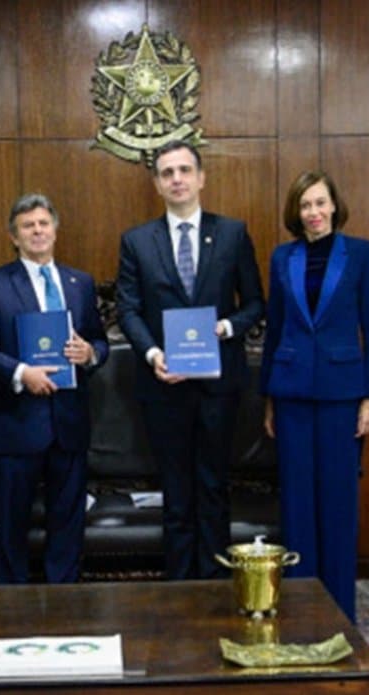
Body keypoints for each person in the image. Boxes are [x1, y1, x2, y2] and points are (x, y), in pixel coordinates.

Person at [115, 140, 265, 580]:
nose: (177, 179)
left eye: (184, 170)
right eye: (167, 172)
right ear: (157, 184)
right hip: (164, 386)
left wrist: (224, 329)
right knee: (176, 494)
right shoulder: (137, 241)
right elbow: (128, 309)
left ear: (202, 178)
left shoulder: (233, 233)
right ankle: (179, 590)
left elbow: (255, 303)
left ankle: (216, 587)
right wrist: (154, 353)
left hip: (219, 386)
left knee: (214, 488)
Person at [0, 194, 109, 583]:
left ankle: (64, 602)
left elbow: (100, 341)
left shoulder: (79, 283)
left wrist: (89, 353)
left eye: (44, 223)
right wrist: (21, 373)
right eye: (28, 226)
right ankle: (13, 606)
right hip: (17, 424)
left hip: (69, 423)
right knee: (12, 526)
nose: (38, 231)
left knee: (68, 524)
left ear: (55, 230)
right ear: (14, 237)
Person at [258, 170, 369, 622]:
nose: (313, 212)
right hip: (290, 394)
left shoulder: (361, 254)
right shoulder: (281, 256)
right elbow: (274, 329)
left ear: (334, 206)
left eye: (320, 203)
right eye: (305, 205)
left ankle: (340, 610)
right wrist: (268, 397)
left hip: (342, 396)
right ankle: (301, 607)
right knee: (296, 504)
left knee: (338, 502)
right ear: (297, 211)